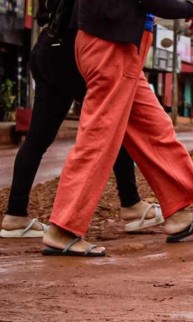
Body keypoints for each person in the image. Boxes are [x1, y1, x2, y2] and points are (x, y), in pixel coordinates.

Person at [42, 0, 193, 257]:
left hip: (120, 45)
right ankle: (63, 229)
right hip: (111, 46)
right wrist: (189, 10)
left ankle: (178, 212)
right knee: (99, 137)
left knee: (154, 128)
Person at [0, 0, 162, 239]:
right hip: (70, 53)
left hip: (47, 48)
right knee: (112, 122)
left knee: (37, 140)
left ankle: (15, 216)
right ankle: (132, 205)